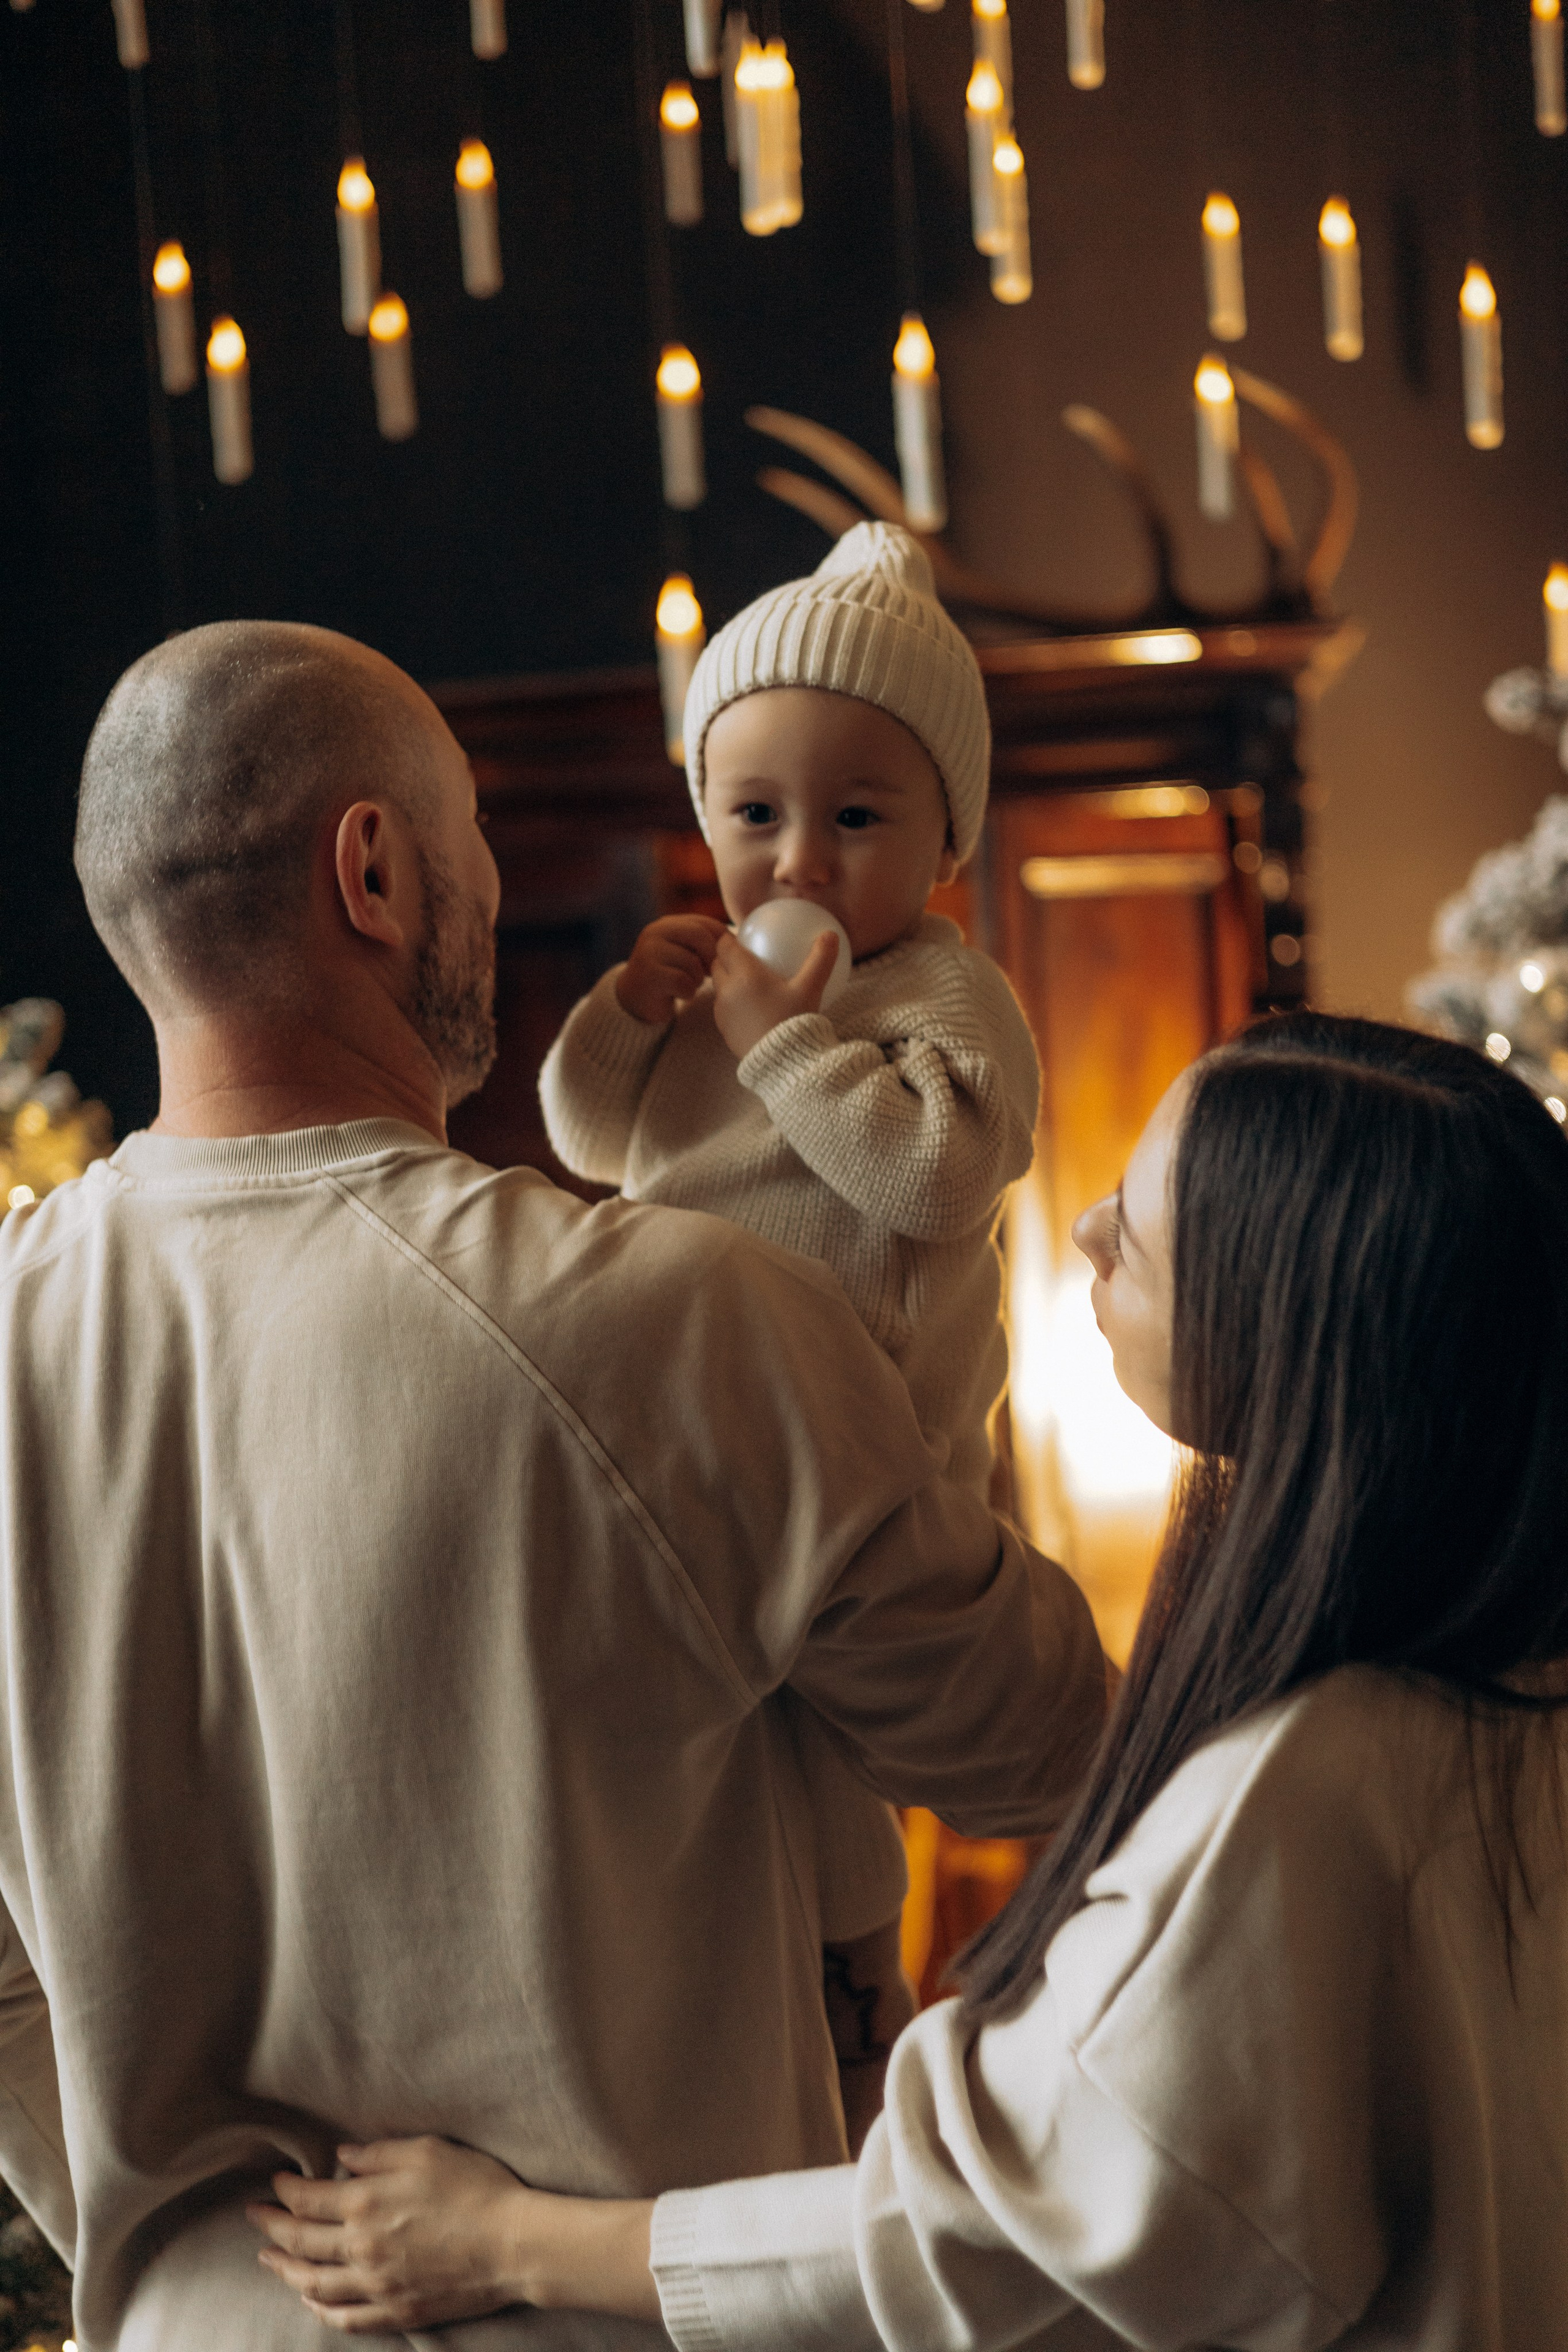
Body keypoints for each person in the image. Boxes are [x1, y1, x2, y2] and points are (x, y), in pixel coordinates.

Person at [0, 618, 1108, 2352]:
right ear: (375, 870)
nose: (497, 894)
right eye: (474, 848)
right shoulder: (669, 1317)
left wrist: (195, 2265)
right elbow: (1038, 1741)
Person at [255, 1012, 1568, 2350]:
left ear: (1282, 1341)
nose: (1084, 1234)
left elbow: (982, 2237)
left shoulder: (1302, 1788)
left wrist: (508, 2241)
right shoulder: (1494, 1710)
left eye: (1141, 1231)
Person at [540, 521, 1040, 2134]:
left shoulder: (944, 1000)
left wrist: (785, 1047)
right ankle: (713, 2027)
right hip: (683, 1435)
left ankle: (858, 2001)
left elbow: (934, 1177)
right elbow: (594, 1142)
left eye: (856, 818)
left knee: (831, 1766)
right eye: (755, 815)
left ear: (944, 846)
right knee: (696, 1763)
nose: (800, 860)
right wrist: (626, 1019)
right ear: (706, 819)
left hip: (866, 1456)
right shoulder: (706, 991)